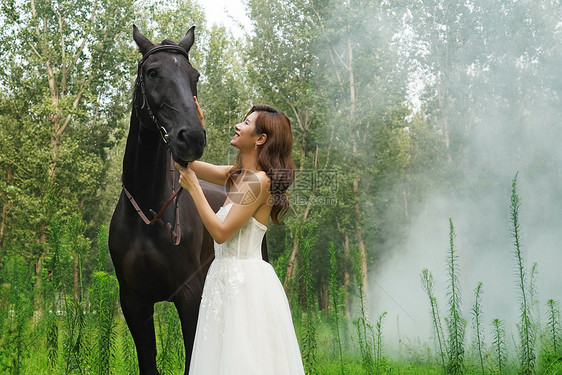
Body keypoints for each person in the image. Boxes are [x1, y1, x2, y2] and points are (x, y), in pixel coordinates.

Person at [176, 99, 305, 375]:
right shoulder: (236, 177)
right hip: (220, 281)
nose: (237, 125)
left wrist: (195, 190)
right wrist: (194, 124)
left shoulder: (259, 182)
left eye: (245, 124)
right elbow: (185, 162)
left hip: (245, 287)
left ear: (260, 139)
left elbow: (221, 233)